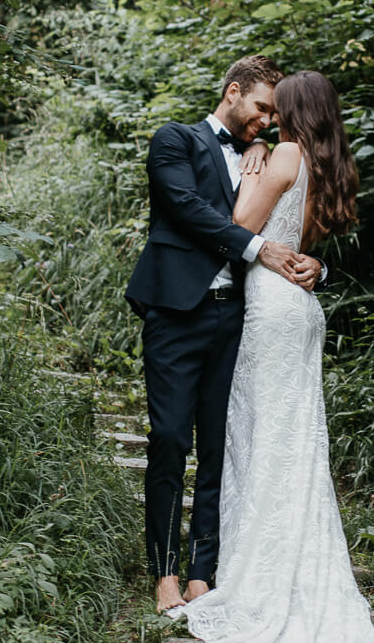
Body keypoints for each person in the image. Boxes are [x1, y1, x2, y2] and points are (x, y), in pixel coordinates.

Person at [169, 70, 374, 643]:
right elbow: (303, 245)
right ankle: (284, 560)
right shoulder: (326, 164)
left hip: (270, 307)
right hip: (302, 308)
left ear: (291, 109)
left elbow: (239, 224)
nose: (266, 118)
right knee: (294, 444)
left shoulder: (285, 154)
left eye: (276, 108)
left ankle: (259, 578)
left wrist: (255, 159)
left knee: (262, 440)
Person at [125, 55, 322, 614]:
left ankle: (200, 572)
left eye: (274, 114)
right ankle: (163, 570)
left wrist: (317, 266)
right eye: (261, 108)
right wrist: (258, 248)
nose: (268, 120)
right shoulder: (175, 140)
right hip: (176, 312)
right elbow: (186, 208)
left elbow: (297, 225)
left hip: (238, 316)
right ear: (233, 92)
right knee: (169, 438)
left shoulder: (268, 156)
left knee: (219, 444)